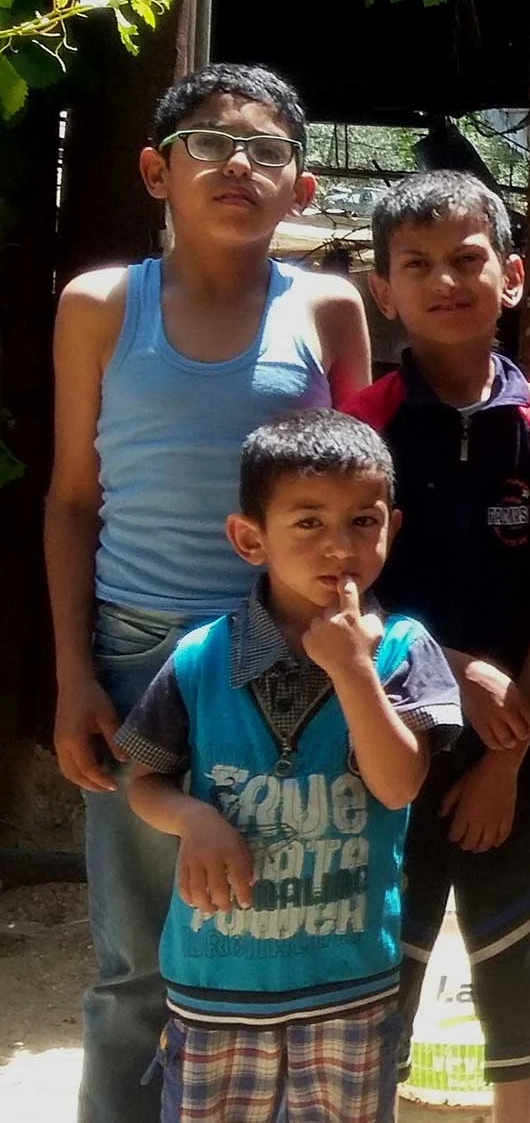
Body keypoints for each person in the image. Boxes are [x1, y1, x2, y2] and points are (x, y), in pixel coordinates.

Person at [43, 63, 372, 1122]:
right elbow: (72, 499)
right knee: (136, 963)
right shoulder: (102, 306)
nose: (239, 165)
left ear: (302, 187)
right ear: (157, 171)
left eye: (268, 150)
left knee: (278, 947)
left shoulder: (327, 308)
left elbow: (363, 493)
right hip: (136, 653)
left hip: (290, 661)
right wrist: (73, 674)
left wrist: (358, 656)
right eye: (210, 143)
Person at [114, 410, 462, 1122]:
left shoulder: (403, 650)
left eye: (363, 522)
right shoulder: (200, 659)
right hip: (215, 989)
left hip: (349, 987)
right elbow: (143, 782)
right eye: (308, 522)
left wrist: (354, 670)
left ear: (391, 528)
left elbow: (398, 784)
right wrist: (195, 819)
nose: (340, 547)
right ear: (251, 539)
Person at [342, 171, 530, 1122]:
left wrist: (502, 763)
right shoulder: (362, 426)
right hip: (388, 733)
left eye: (466, 259)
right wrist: (448, 667)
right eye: (416, 265)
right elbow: (342, 592)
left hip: (517, 742)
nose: (444, 281)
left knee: (513, 941)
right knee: (387, 940)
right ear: (384, 291)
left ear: (512, 276)